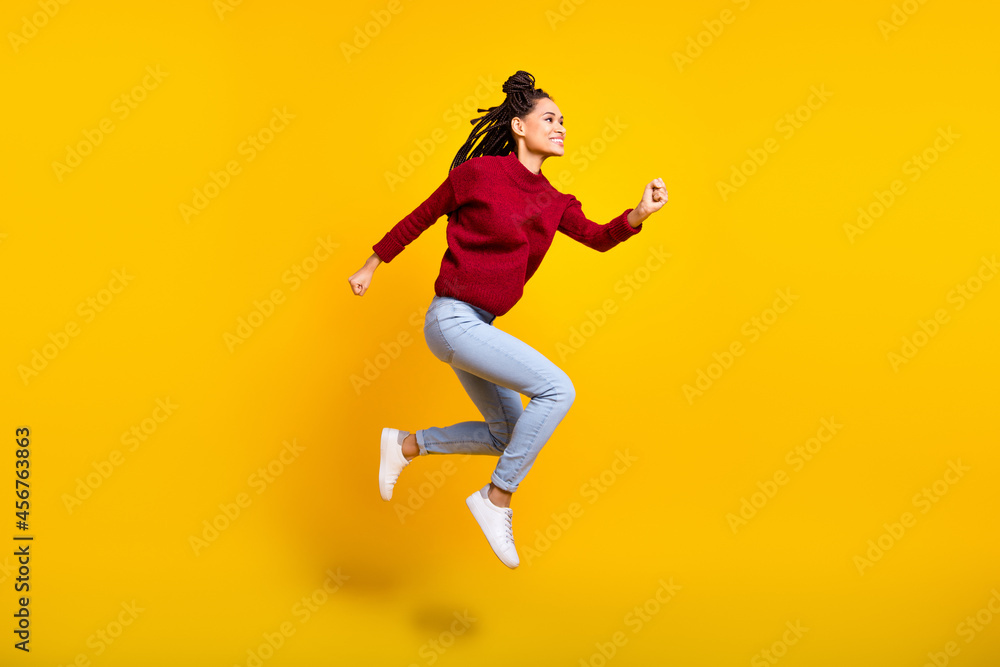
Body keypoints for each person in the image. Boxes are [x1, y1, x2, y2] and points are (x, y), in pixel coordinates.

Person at [348, 70, 668, 568]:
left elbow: (599, 236)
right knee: (558, 389)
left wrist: (639, 214)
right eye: (549, 118)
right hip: (452, 319)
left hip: (480, 328)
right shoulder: (478, 175)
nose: (560, 126)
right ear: (519, 126)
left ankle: (407, 445)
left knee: (507, 432)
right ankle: (496, 499)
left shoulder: (555, 202)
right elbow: (420, 216)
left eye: (564, 120)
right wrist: (371, 265)